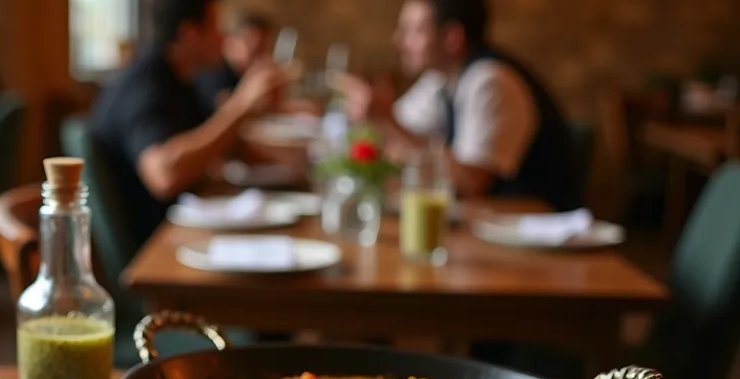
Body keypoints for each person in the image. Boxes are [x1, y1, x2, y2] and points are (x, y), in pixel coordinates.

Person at [340, 0, 579, 211]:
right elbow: (396, 137)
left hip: (539, 230)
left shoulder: (490, 81)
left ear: (453, 37)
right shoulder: (440, 79)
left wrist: (389, 121)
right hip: (488, 228)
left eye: (414, 31)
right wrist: (372, 117)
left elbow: (470, 182)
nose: (398, 41)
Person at [89, 0, 288, 245]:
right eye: (217, 29)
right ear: (189, 34)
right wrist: (241, 106)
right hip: (155, 250)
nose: (224, 39)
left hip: (182, 233)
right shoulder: (145, 83)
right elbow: (164, 175)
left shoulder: (182, 79)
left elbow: (219, 144)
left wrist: (291, 171)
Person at [194, 11, 275, 108]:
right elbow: (225, 109)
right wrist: (251, 84)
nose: (261, 57)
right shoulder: (212, 69)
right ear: (232, 41)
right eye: (255, 49)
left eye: (264, 49)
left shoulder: (241, 73)